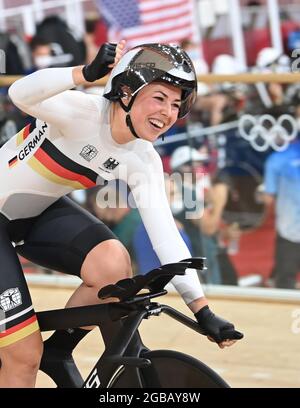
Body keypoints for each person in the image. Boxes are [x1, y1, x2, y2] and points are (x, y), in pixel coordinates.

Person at [0, 41, 243, 388]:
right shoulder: (81, 112)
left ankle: (61, 349)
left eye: (177, 103)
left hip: (35, 213)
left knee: (113, 264)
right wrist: (82, 74)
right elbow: (21, 93)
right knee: (23, 357)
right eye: (159, 98)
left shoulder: (142, 158)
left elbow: (166, 236)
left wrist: (201, 310)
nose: (168, 112)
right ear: (126, 92)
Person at [263, 139, 300, 289]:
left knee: (285, 280)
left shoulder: (277, 158)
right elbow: (268, 197)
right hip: (290, 231)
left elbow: (267, 198)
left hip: (289, 228)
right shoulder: (278, 159)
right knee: (285, 281)